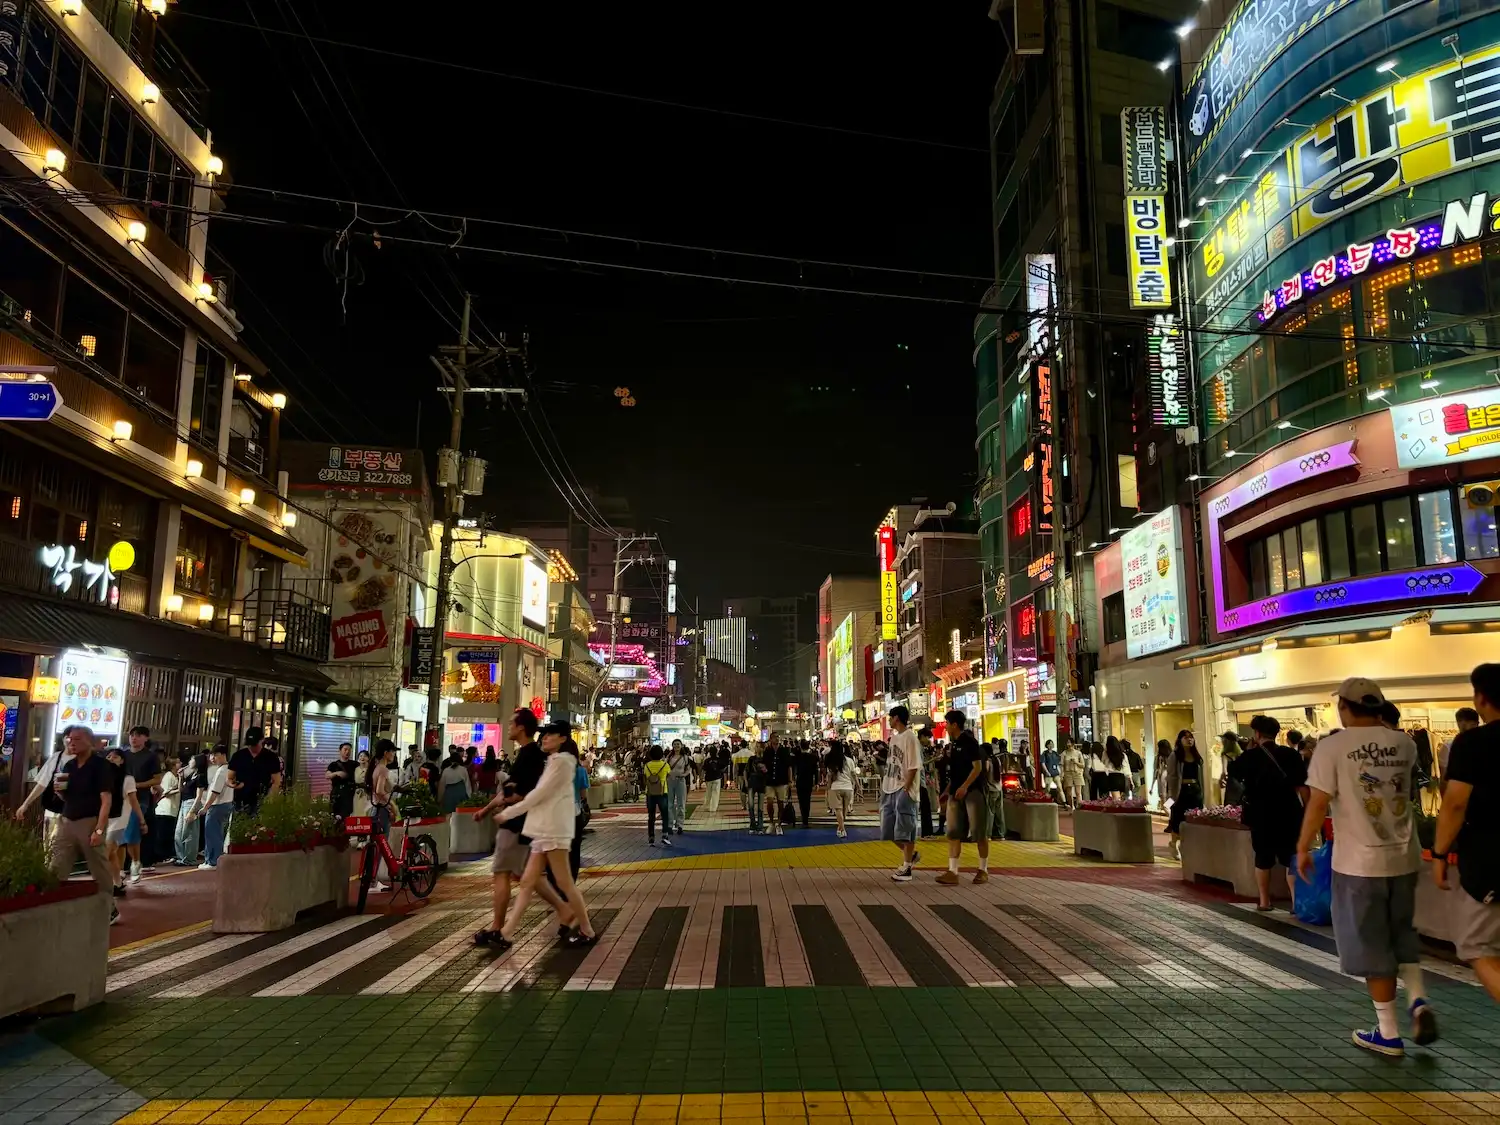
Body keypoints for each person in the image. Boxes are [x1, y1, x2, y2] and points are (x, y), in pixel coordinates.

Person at [1297, 678, 1434, 1056]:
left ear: (1344, 707)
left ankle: (1388, 1032)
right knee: (1400, 932)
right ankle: (1419, 1000)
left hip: (1359, 862)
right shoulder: (1404, 743)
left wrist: (1304, 846)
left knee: (1373, 946)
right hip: (1405, 857)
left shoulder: (1332, 746)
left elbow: (1318, 802)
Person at [491, 721, 597, 951]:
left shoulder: (563, 763)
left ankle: (587, 929)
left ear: (563, 738)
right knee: (528, 882)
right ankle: (507, 933)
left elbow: (538, 795)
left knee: (564, 883)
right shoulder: (553, 761)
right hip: (544, 829)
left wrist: (508, 813)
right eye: (544, 735)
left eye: (550, 735)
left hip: (554, 831)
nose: (544, 738)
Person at [472, 710, 573, 946]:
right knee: (531, 877)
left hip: (517, 824)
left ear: (521, 728)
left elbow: (521, 794)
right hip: (529, 824)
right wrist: (488, 809)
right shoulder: (533, 756)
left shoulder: (532, 757)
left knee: (502, 873)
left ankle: (498, 928)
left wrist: (503, 809)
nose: (508, 727)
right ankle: (565, 911)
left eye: (511, 724)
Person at [1431, 663, 1500, 1002]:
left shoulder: (1472, 743)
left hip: (1490, 861)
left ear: (1481, 699)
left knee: (1476, 945)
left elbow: (1455, 803)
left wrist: (1440, 853)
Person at [1230, 715, 1307, 911]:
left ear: (1256, 734)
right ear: (1276, 733)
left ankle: (1265, 901)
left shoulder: (1249, 757)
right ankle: (1296, 902)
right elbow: (1302, 786)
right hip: (1289, 812)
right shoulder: (1290, 755)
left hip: (1260, 813)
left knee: (1263, 858)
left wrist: (1248, 752)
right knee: (1291, 856)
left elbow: (1235, 773)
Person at [46, 726, 119, 924]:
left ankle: (108, 907)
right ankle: (52, 906)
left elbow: (106, 801)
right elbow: (65, 796)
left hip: (89, 822)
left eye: (77, 739)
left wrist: (99, 829)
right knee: (56, 865)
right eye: (69, 739)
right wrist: (59, 791)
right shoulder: (69, 766)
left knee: (98, 868)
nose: (72, 742)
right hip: (66, 820)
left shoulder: (100, 766)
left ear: (90, 742)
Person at [937, 710, 992, 886]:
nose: (945, 727)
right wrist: (947, 790)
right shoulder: (953, 744)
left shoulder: (970, 742)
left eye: (947, 723)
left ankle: (983, 870)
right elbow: (955, 772)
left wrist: (965, 786)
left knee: (978, 831)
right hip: (955, 792)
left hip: (973, 792)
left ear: (954, 724)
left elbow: (977, 767)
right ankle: (953, 871)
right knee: (953, 832)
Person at [882, 706, 922, 883]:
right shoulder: (894, 738)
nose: (889, 720)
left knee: (905, 829)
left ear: (896, 718)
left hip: (903, 788)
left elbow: (914, 765)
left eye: (890, 717)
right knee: (888, 831)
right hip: (889, 787)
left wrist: (907, 786)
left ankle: (906, 866)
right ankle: (911, 856)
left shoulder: (910, 737)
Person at [104, 747, 146, 893]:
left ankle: (107, 885)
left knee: (107, 851)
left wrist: (142, 820)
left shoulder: (128, 779)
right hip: (105, 818)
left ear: (122, 761)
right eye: (108, 756)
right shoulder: (103, 777)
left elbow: (134, 801)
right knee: (111, 853)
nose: (111, 759)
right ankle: (117, 883)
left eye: (115, 757)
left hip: (120, 819)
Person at [124, 726, 163, 869]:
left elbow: (157, 780)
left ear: (146, 738)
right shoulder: (124, 755)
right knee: (119, 834)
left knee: (132, 830)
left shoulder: (151, 756)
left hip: (141, 799)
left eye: (138, 735)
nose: (134, 738)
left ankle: (136, 862)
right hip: (122, 799)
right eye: (132, 735)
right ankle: (124, 865)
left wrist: (137, 785)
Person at [190, 746, 233, 868]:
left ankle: (213, 861)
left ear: (223, 755)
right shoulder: (227, 769)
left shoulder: (221, 771)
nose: (212, 758)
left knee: (212, 833)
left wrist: (205, 807)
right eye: (211, 755)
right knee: (217, 833)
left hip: (217, 806)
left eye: (215, 755)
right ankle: (212, 860)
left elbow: (215, 792)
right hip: (224, 804)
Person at [1164, 730, 1204, 859]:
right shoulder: (1175, 756)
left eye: (1191, 737)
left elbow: (1201, 777)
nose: (1189, 740)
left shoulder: (1197, 756)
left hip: (1195, 790)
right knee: (1177, 818)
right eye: (1186, 738)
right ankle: (1174, 843)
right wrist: (1170, 797)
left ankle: (1186, 844)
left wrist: (1202, 792)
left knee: (1194, 818)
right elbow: (1171, 776)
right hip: (1180, 792)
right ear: (1180, 740)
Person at [228, 731, 282, 817]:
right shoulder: (238, 755)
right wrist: (233, 784)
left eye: (254, 744)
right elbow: (229, 778)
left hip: (261, 799)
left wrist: (270, 797)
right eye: (249, 744)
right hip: (240, 800)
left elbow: (277, 781)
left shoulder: (271, 757)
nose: (251, 747)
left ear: (262, 741)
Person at [174, 752, 203, 866]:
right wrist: (180, 777)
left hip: (191, 804)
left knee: (190, 832)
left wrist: (192, 811)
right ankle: (181, 857)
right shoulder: (191, 775)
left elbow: (199, 796)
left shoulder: (200, 776)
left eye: (192, 759)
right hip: (183, 802)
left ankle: (189, 859)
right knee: (179, 831)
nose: (189, 762)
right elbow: (181, 789)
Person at [1439, 707, 1480, 787]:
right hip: (1459, 792)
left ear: (1477, 724)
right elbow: (1444, 780)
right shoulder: (1448, 746)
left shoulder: (1485, 743)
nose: (1467, 728)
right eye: (1462, 724)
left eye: (1471, 724)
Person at [825, 741, 857, 839]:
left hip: (835, 787)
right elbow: (853, 774)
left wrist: (828, 788)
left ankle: (842, 829)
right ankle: (840, 828)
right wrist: (858, 785)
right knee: (845, 809)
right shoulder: (849, 760)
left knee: (838, 809)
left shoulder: (831, 760)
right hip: (848, 787)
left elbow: (829, 776)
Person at [643, 746, 672, 847]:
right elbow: (668, 776)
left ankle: (651, 837)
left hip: (650, 793)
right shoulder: (665, 765)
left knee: (651, 816)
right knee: (664, 814)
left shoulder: (647, 766)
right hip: (662, 792)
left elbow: (646, 776)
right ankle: (665, 835)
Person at [154, 753, 180, 862]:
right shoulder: (169, 776)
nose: (180, 764)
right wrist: (178, 789)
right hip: (165, 809)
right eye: (178, 762)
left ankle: (166, 854)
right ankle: (162, 856)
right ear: (173, 765)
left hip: (172, 808)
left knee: (168, 833)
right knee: (163, 834)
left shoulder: (176, 776)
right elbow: (166, 792)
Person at [765, 732, 792, 836]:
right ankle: (771, 822)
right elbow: (764, 763)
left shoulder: (784, 751)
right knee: (770, 801)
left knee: (781, 803)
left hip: (781, 781)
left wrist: (790, 780)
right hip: (769, 781)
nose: (777, 739)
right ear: (771, 739)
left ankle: (779, 824)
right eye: (775, 737)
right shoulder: (767, 751)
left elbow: (789, 766)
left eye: (778, 737)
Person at [666, 740, 691, 834]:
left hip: (680, 781)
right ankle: (669, 825)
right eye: (674, 744)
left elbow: (688, 769)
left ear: (681, 746)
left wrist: (684, 775)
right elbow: (665, 767)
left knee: (681, 803)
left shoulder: (685, 758)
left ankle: (680, 825)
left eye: (678, 744)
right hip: (670, 781)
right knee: (669, 804)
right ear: (672, 746)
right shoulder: (669, 757)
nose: (676, 746)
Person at [327, 743, 358, 819]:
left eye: (349, 750)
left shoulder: (355, 764)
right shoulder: (334, 764)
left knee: (348, 817)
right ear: (340, 751)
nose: (347, 752)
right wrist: (337, 773)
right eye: (345, 749)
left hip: (350, 794)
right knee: (335, 816)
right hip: (337, 794)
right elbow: (327, 775)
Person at [794, 739, 818, 829]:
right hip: (809, 781)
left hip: (800, 781)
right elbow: (816, 771)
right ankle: (806, 819)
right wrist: (816, 782)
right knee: (807, 800)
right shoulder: (813, 757)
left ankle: (803, 818)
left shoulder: (797, 756)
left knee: (801, 800)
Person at [438, 750, 470, 814]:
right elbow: (467, 785)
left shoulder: (446, 770)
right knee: (460, 814)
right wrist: (469, 796)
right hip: (461, 793)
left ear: (450, 760)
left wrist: (439, 799)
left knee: (449, 814)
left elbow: (442, 786)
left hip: (449, 794)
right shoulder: (463, 770)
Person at [746, 743, 769, 832]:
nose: (757, 748)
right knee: (750, 805)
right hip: (752, 782)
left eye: (758, 747)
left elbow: (768, 772)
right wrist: (745, 781)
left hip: (761, 783)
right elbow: (746, 771)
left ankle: (760, 825)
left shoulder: (765, 760)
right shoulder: (751, 759)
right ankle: (752, 824)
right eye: (756, 747)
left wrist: (765, 770)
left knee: (760, 806)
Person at [1220, 732, 1246, 806]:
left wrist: (1222, 779)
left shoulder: (1225, 755)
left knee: (1230, 809)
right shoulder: (1242, 754)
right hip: (1241, 784)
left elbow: (1225, 772)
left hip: (1231, 784)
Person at [1060, 740, 1086, 809]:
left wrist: (1076, 762)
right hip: (1068, 773)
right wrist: (1062, 774)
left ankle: (1079, 807)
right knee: (1069, 793)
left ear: (1073, 744)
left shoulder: (1078, 753)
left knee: (1078, 792)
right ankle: (1072, 807)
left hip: (1077, 773)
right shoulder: (1064, 753)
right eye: (1067, 743)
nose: (1069, 744)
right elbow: (1061, 765)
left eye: (1070, 743)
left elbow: (1083, 765)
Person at [703, 744, 724, 813]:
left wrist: (701, 778)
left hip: (708, 778)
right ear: (716, 752)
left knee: (708, 792)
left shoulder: (707, 760)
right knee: (715, 793)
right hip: (717, 778)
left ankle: (706, 806)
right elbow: (723, 767)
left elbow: (704, 769)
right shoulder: (719, 760)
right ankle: (713, 808)